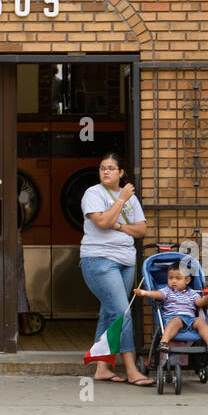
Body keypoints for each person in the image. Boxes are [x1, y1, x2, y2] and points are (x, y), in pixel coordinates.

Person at [79, 153, 152, 385]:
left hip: (126, 261)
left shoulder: (132, 198)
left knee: (110, 312)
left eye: (111, 168)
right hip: (99, 260)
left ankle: (102, 367)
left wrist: (119, 224)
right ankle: (131, 370)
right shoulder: (93, 193)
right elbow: (101, 223)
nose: (106, 172)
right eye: (102, 168)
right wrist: (120, 201)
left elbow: (141, 230)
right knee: (123, 313)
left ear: (121, 173)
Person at [134, 263, 208, 359]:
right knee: (176, 320)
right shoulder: (167, 291)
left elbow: (200, 303)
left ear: (187, 280)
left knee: (201, 321)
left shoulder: (192, 293)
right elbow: (157, 294)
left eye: (178, 278)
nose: (173, 281)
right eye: (170, 278)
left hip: (190, 319)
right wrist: (144, 292)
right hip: (173, 318)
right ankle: (163, 343)